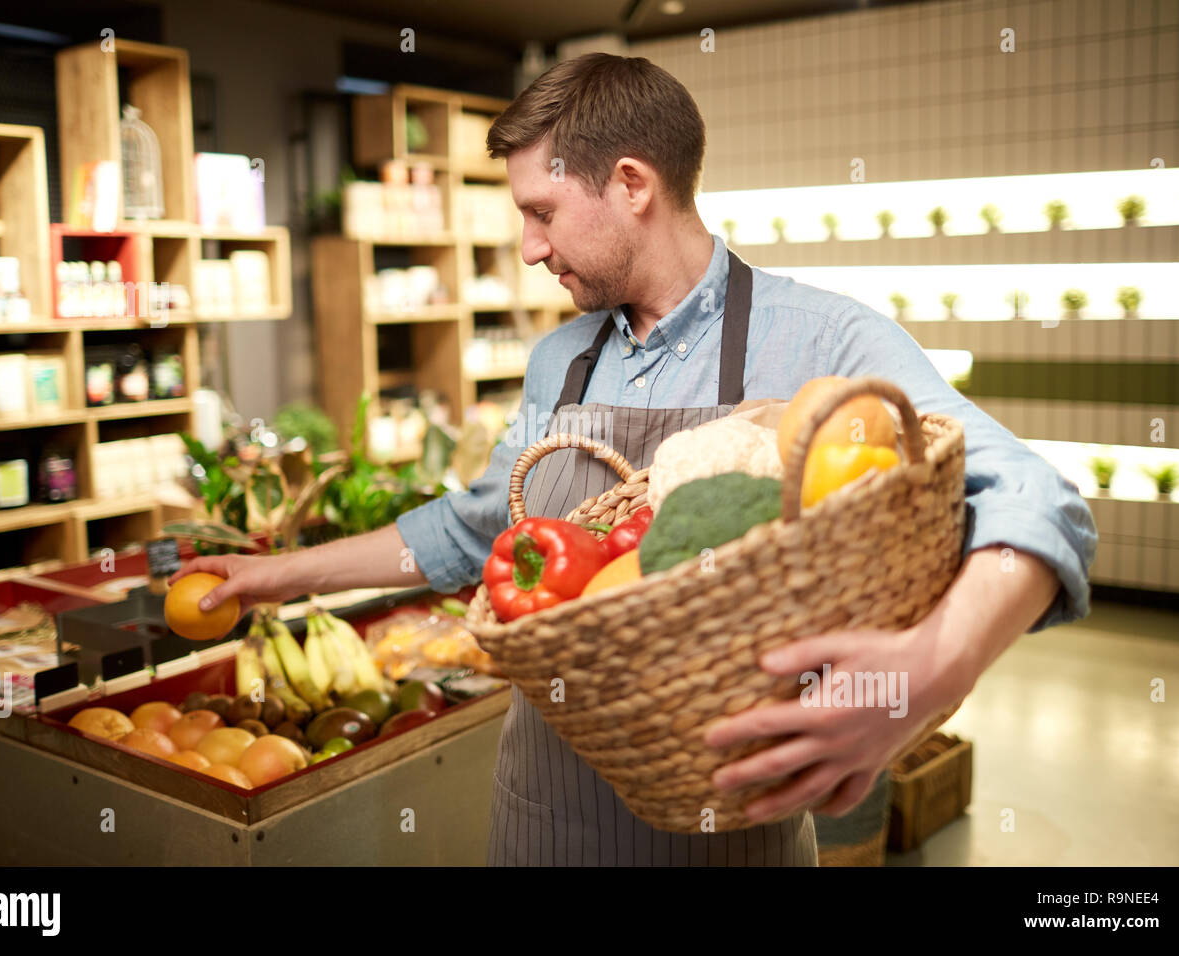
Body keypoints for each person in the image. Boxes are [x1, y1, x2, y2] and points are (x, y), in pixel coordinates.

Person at [172, 53, 1096, 866]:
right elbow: (476, 529)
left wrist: (930, 671)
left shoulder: (823, 340)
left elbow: (1035, 497)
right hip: (544, 817)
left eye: (542, 213)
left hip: (732, 832)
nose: (530, 249)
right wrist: (276, 576)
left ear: (630, 183)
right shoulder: (558, 360)